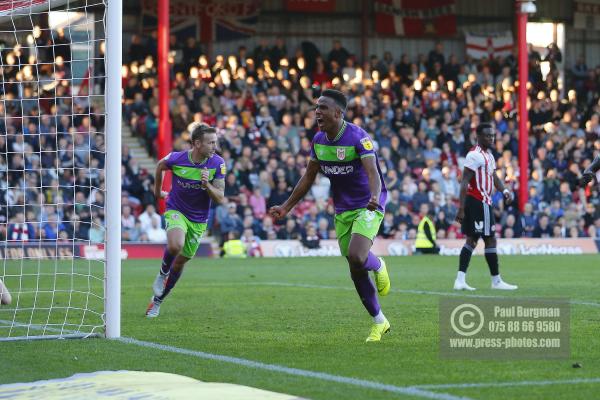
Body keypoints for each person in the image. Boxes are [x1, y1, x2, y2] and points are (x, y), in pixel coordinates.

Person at [268, 89, 391, 342]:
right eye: (316, 107)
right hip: (343, 209)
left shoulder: (358, 137)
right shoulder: (319, 141)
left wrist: (375, 197)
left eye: (323, 108)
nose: (317, 112)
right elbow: (308, 177)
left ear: (338, 112)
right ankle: (379, 321)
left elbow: (372, 173)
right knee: (355, 268)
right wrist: (287, 206)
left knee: (358, 255)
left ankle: (378, 264)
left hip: (368, 204)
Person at [146, 123, 226, 317]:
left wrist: (206, 184)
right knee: (175, 245)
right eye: (210, 143)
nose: (214, 146)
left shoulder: (218, 163)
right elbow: (160, 166)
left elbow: (219, 197)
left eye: (215, 142)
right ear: (197, 143)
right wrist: (157, 192)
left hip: (198, 219)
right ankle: (162, 274)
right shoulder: (177, 158)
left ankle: (157, 301)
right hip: (176, 209)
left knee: (181, 262)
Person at [454, 122, 518, 291]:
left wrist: (504, 190)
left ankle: (460, 280)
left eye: (492, 135)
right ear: (479, 137)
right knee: (490, 239)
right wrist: (461, 208)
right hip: (477, 201)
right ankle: (496, 281)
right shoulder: (474, 155)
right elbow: (464, 181)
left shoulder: (488, 155)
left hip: (484, 201)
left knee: (473, 239)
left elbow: (494, 177)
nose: (491, 138)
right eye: (488, 135)